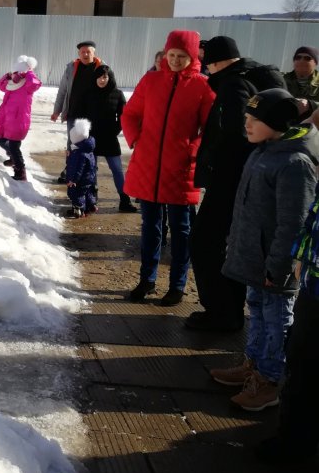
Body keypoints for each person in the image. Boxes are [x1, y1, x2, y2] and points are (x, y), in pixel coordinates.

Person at [210, 88, 319, 411]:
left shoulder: (294, 163)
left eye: (254, 120)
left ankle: (270, 380)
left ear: (276, 123)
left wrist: (279, 266)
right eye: (246, 118)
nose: (247, 125)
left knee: (276, 320)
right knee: (256, 313)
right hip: (254, 259)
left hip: (274, 266)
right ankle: (253, 365)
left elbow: (292, 222)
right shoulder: (264, 149)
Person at [187, 35, 285, 332]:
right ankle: (227, 312)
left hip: (232, 179)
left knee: (205, 243)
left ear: (214, 62)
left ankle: (221, 314)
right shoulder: (249, 76)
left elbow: (237, 135)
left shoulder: (234, 85)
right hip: (242, 178)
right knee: (227, 246)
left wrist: (217, 163)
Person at [122, 30, 214, 306]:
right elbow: (130, 114)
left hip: (181, 169)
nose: (175, 60)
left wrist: (192, 151)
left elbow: (209, 129)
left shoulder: (202, 86)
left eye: (182, 56)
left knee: (181, 230)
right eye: (172, 55)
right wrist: (137, 139)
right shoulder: (151, 80)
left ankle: (177, 284)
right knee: (150, 227)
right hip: (148, 166)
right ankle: (147, 280)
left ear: (192, 57)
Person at [256, 129, 319, 461]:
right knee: (302, 359)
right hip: (313, 281)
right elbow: (311, 218)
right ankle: (294, 439)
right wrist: (299, 254)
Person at [83, 64, 137, 212]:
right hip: (91, 137)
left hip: (109, 138)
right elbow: (81, 114)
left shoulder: (117, 94)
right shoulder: (88, 93)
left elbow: (124, 115)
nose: (102, 80)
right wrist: (84, 133)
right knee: (91, 169)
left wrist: (115, 130)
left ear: (109, 77)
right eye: (99, 77)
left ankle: (124, 200)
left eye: (105, 77)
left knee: (117, 169)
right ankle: (91, 200)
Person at [52, 41, 103, 183]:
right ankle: (70, 172)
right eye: (83, 52)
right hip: (73, 114)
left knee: (91, 146)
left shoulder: (102, 68)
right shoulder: (71, 68)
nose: (85, 54)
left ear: (94, 53)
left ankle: (90, 175)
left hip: (93, 116)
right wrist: (57, 110)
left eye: (88, 52)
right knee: (72, 145)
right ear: (79, 54)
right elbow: (62, 90)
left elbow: (110, 92)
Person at [0, 55, 41, 182]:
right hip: (6, 118)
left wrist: (29, 72)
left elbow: (35, 84)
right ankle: (13, 158)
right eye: (17, 70)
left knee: (14, 146)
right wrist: (8, 75)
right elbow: (1, 86)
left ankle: (20, 172)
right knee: (0, 140)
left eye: (21, 70)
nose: (18, 73)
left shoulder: (27, 84)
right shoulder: (12, 82)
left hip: (19, 119)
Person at [64, 118, 98, 219]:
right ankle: (91, 205)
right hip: (89, 178)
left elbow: (77, 168)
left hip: (80, 180)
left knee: (77, 194)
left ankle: (79, 209)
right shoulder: (88, 149)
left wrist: (73, 180)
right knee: (87, 192)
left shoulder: (78, 153)